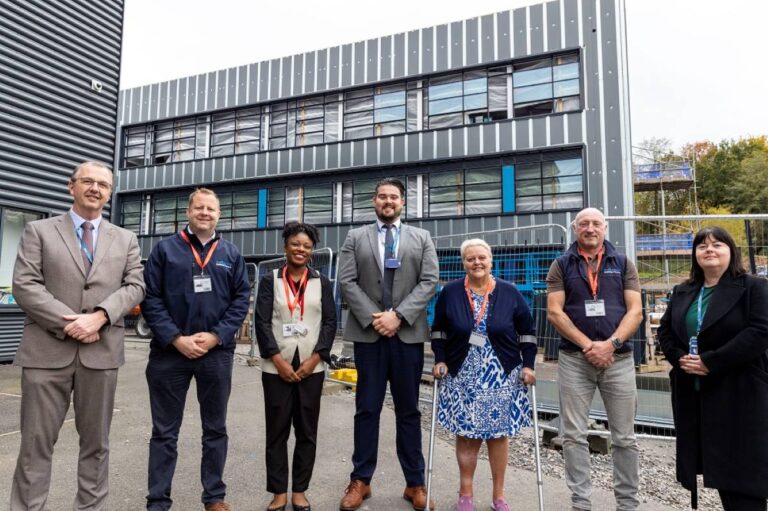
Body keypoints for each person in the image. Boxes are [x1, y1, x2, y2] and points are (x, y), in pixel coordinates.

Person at [10, 161, 145, 510]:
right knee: (35, 445)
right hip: (45, 353)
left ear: (110, 193)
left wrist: (99, 317)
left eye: (103, 184)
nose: (95, 188)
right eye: (88, 181)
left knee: (96, 446)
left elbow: (136, 285)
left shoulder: (125, 238)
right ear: (71, 186)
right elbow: (25, 285)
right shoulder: (39, 231)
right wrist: (71, 322)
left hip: (100, 355)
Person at [141, 188, 251, 511]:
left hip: (216, 355)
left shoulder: (231, 254)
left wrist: (216, 336)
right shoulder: (165, 250)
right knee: (164, 432)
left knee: (215, 429)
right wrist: (177, 339)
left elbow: (241, 300)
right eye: (199, 207)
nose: (205, 213)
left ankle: (214, 496)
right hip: (169, 354)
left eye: (211, 209)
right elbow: (150, 299)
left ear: (219, 215)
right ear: (188, 212)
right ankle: (158, 501)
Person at [337, 177, 439, 511]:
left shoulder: (421, 238)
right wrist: (375, 317)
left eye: (393, 197)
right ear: (374, 201)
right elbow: (347, 281)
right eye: (381, 196)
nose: (387, 201)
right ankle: (361, 480)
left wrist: (399, 316)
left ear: (402, 202)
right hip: (369, 336)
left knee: (409, 411)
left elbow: (429, 281)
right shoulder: (356, 237)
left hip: (407, 336)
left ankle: (415, 483)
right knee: (367, 408)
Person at [658, 226, 768, 511]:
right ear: (695, 255)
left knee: (744, 480)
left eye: (717, 244)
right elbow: (666, 331)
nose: (709, 249)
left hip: (739, 394)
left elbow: (760, 332)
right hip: (697, 397)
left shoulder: (753, 287)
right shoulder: (683, 291)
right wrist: (679, 358)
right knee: (720, 473)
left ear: (731, 252)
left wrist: (711, 361)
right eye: (702, 245)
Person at [546, 207, 643, 511]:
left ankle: (627, 505)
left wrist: (610, 345)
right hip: (575, 360)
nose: (590, 228)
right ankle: (581, 503)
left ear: (605, 228)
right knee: (573, 436)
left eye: (596, 223)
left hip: (619, 360)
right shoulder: (561, 265)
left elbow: (636, 311)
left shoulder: (623, 263)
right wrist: (590, 345)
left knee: (625, 438)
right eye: (584, 223)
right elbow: (554, 311)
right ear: (575, 228)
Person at [431, 239, 537, 511]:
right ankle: (465, 494)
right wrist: (440, 359)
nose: (477, 263)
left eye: (482, 258)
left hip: (501, 374)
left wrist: (528, 365)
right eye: (470, 259)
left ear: (491, 261)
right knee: (466, 435)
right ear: (463, 262)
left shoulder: (510, 292)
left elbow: (527, 332)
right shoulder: (450, 292)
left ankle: (498, 496)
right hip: (461, 372)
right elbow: (439, 330)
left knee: (498, 436)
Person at [254, 222, 337, 511]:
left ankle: (300, 490)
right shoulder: (270, 280)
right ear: (285, 246)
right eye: (295, 244)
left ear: (312, 250)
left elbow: (329, 323)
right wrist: (276, 360)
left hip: (311, 368)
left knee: (307, 431)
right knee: (276, 431)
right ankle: (278, 492)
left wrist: (316, 358)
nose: (300, 249)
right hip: (276, 366)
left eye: (306, 245)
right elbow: (262, 323)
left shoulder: (321, 282)